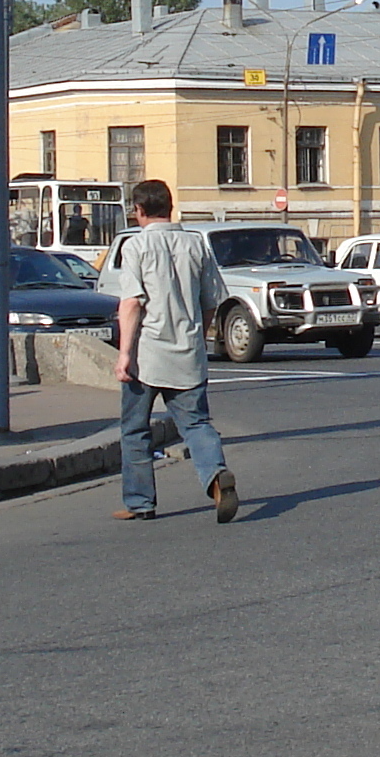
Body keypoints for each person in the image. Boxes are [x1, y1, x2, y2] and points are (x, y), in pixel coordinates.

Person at [98, 178, 237, 523]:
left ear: (139, 211)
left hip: (147, 353)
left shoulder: (135, 246)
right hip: (188, 351)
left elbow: (131, 304)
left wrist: (124, 354)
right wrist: (198, 335)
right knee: (197, 423)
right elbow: (211, 302)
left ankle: (140, 502)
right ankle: (216, 475)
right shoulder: (196, 245)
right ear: (170, 207)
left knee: (135, 428)